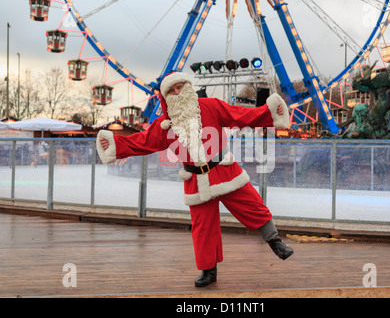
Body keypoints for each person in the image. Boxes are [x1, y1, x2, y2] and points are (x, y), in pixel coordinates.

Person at [97, 72, 294, 287]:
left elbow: (240, 116)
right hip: (196, 180)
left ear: (188, 86)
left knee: (252, 204)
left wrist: (269, 112)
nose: (177, 93)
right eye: (171, 91)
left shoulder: (211, 106)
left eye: (179, 87)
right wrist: (115, 144)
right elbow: (142, 141)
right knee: (202, 227)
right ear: (165, 97)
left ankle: (275, 242)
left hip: (225, 170)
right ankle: (208, 270)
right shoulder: (165, 124)